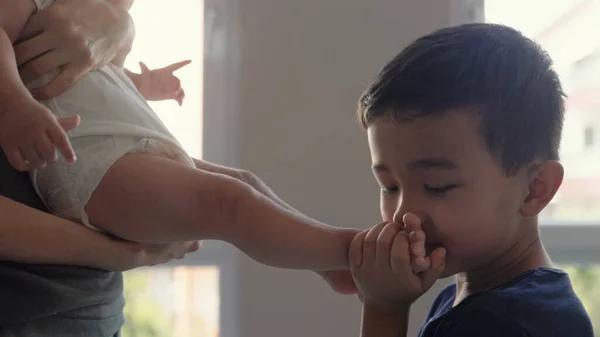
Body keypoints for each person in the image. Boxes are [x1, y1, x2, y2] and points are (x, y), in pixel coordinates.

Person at [0, 0, 408, 274]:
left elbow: (77, 80)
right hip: (90, 168)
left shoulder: (76, 15)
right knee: (230, 203)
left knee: (242, 183)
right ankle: (354, 253)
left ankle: (324, 264)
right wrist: (14, 105)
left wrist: (143, 82)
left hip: (126, 146)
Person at [347, 23, 594, 337]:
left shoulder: (501, 324)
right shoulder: (464, 298)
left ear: (534, 189)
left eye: (438, 187)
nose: (402, 214)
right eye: (390, 187)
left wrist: (383, 308)